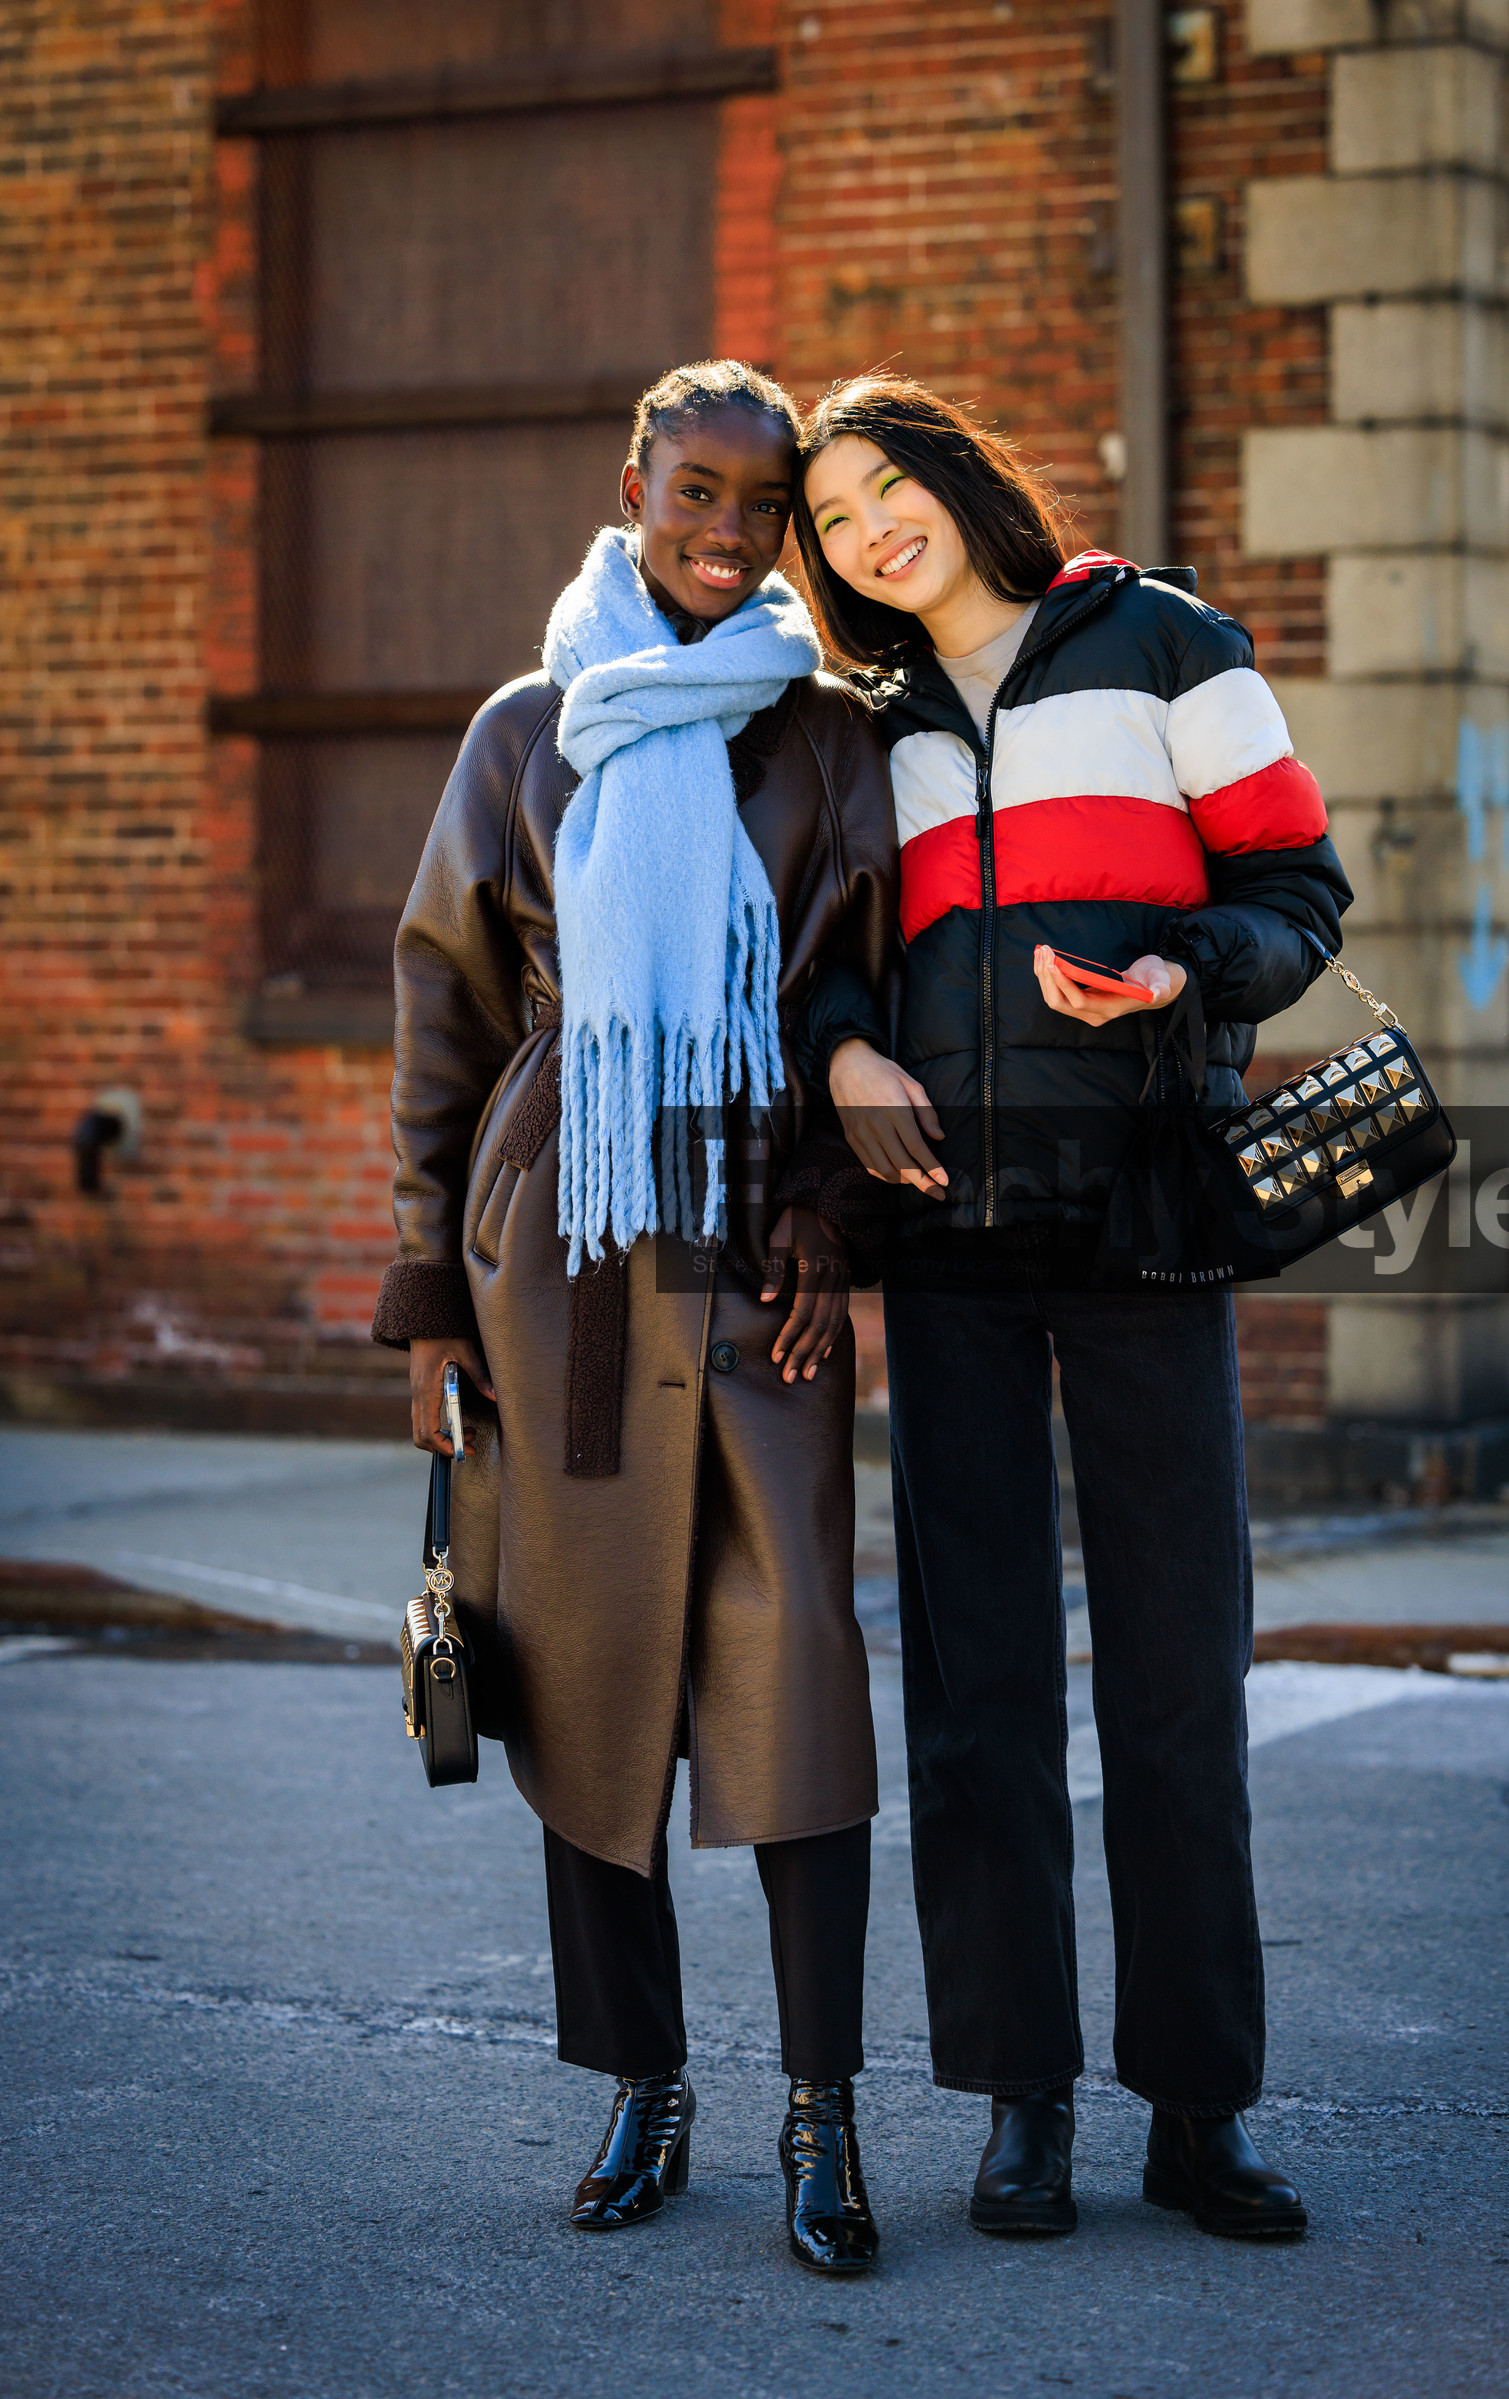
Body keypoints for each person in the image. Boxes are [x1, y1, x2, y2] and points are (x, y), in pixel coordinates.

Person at [790, 375, 1353, 2240]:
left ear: (958, 479)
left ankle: (1200, 2109)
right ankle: (1019, 2098)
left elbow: (1300, 890)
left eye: (888, 487)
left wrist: (1184, 969)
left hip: (1144, 1211)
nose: (871, 532)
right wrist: (846, 1050)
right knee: (980, 1689)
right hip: (946, 1235)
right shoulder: (859, 723)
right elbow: (817, 952)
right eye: (834, 518)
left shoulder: (1165, 640)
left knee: (1179, 1673)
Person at [372, 360, 899, 2275]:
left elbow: (865, 994)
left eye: (762, 505)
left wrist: (833, 1206)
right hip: (565, 1248)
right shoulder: (528, 731)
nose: (727, 533)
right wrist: (428, 1300)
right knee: (586, 1682)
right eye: (697, 492)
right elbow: (442, 1015)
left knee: (797, 1673)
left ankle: (822, 2112)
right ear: (635, 487)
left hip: (754, 1253)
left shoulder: (827, 738)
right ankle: (643, 2086)